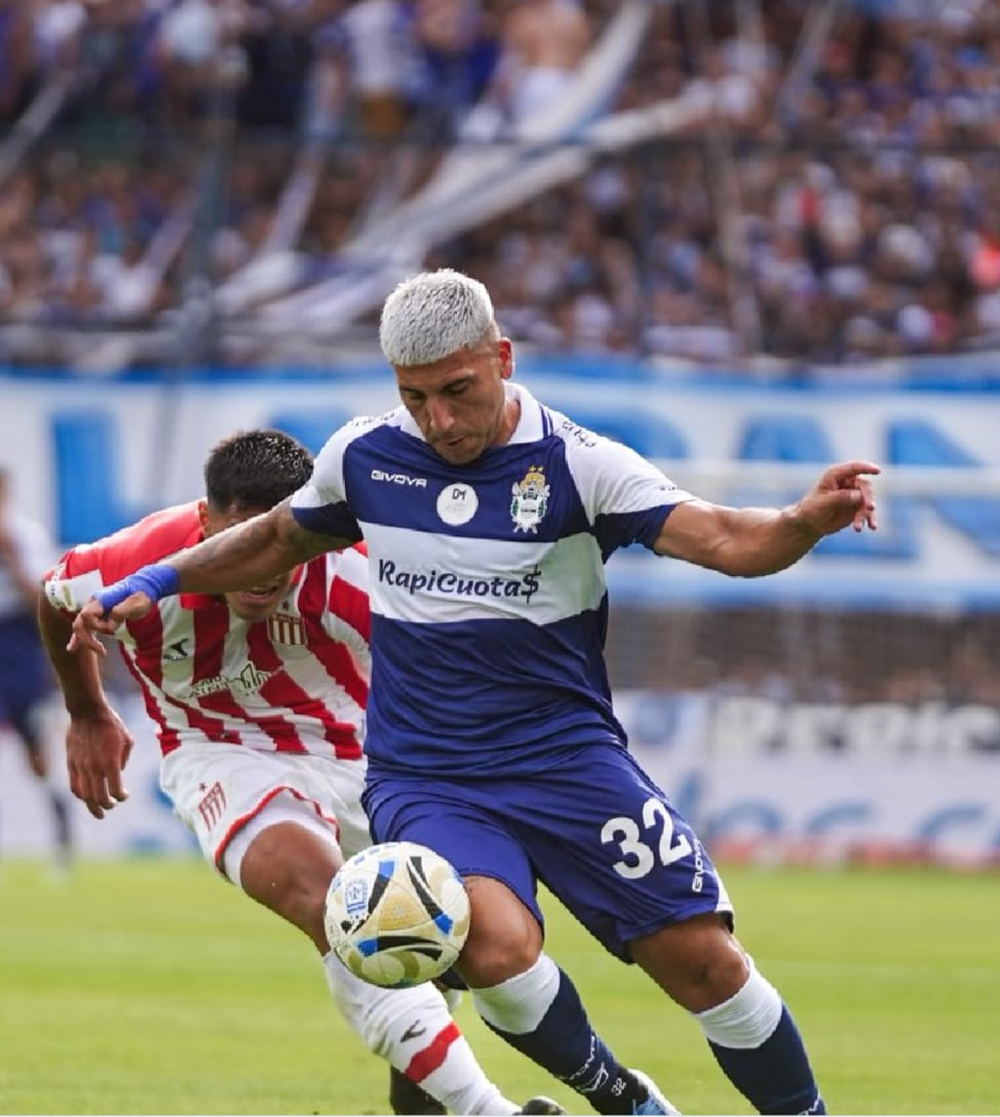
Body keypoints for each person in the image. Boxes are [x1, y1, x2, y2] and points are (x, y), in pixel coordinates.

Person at [70, 269, 881, 1116]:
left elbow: (722, 538)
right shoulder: (365, 458)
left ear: (502, 357)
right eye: (415, 397)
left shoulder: (579, 466)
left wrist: (798, 522)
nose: (439, 421)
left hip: (567, 760)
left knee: (704, 963)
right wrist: (157, 579)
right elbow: (272, 539)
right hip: (428, 777)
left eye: (457, 391)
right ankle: (626, 1102)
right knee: (493, 950)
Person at [38, 428, 563, 1117]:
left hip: (367, 759)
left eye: (277, 545)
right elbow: (54, 596)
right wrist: (87, 711)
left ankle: (426, 1101)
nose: (261, 570)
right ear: (206, 522)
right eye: (240, 539)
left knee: (439, 933)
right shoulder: (136, 562)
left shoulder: (361, 572)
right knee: (338, 904)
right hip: (219, 752)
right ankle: (487, 1110)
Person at [0, 466, 72, 874]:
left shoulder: (26, 537)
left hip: (19, 644)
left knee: (35, 750)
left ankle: (60, 831)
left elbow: (45, 602)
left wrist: (12, 560)